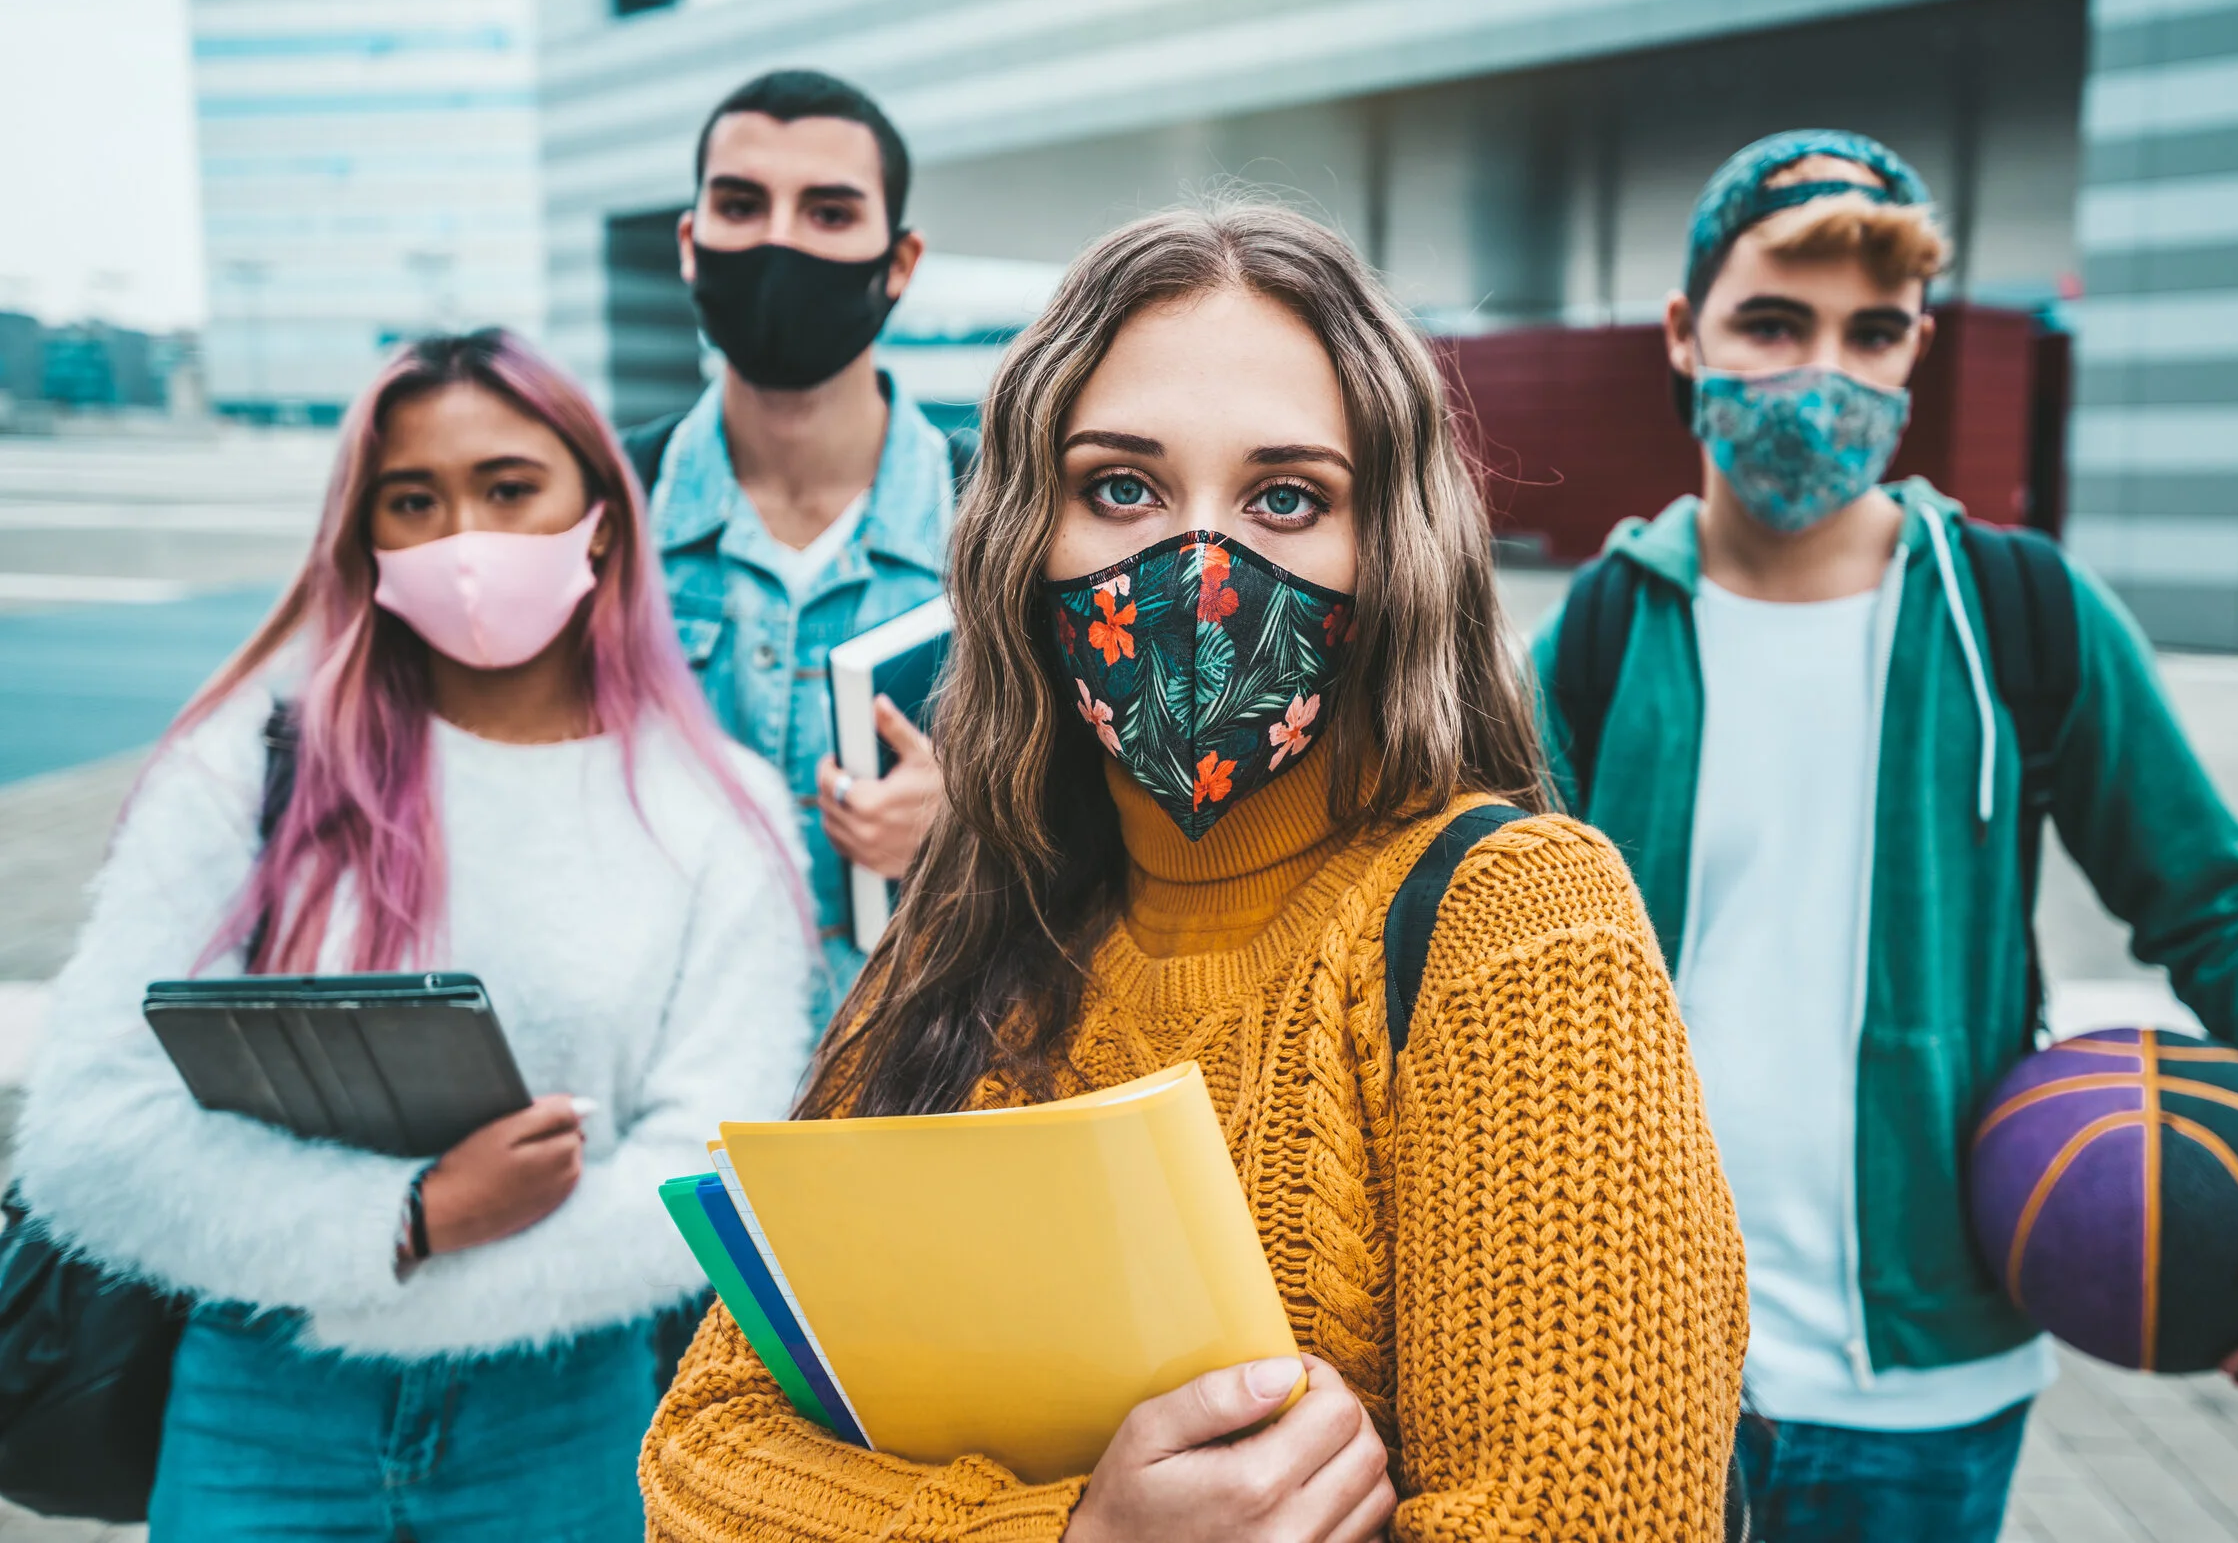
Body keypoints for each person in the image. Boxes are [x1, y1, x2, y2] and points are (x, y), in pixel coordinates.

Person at [638, 203, 1749, 1541]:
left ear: (1388, 548)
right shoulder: (972, 915)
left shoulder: (1512, 924)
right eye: (1123, 488)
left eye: (1286, 497)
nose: (1199, 568)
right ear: (1022, 542)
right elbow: (704, 1457)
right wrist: (1073, 1536)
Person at [1528, 129, 2238, 1543]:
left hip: (1924, 1389)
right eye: (1772, 322)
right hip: (1620, 1368)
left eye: (1871, 333)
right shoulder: (1596, 635)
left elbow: (2213, 902)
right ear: (1683, 334)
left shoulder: (2020, 612)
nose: (1820, 373)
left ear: (1915, 356)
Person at [12, 330, 817, 1540]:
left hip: (566, 1419)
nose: (466, 540)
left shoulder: (722, 808)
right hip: (259, 1402)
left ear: (599, 514)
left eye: (508, 488)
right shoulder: (248, 769)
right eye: (412, 500)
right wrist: (416, 1217)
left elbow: (712, 1169)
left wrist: (435, 1253)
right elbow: (89, 1139)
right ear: (367, 541)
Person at [637, 68, 960, 1016]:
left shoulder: (1003, 522)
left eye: (828, 212)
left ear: (898, 262)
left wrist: (969, 832)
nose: (779, 241)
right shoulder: (602, 518)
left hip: (912, 1088)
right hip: (668, 1099)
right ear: (692, 244)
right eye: (742, 205)